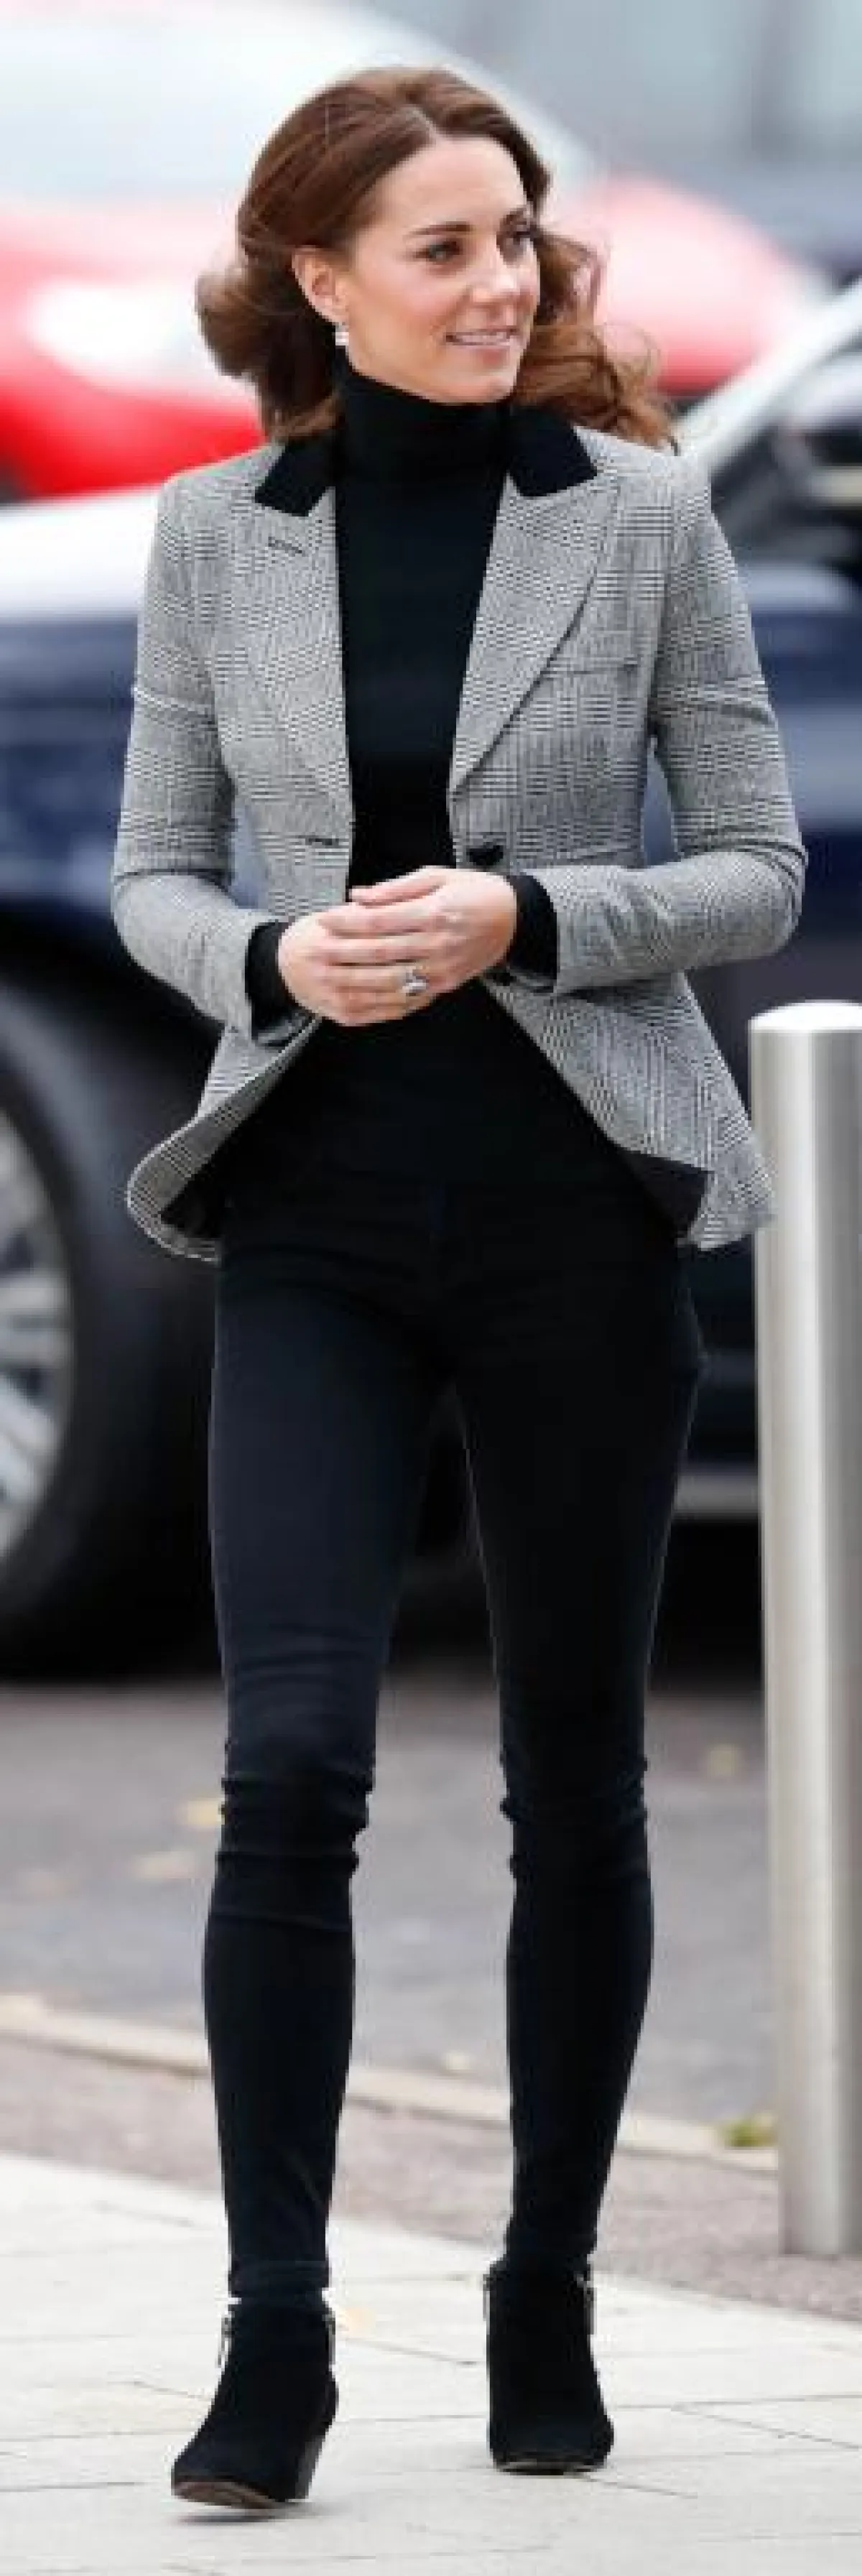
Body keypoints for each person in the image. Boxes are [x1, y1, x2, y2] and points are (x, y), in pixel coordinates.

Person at [111, 62, 806, 2516]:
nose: (502, 281)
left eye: (517, 237)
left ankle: (548, 2287)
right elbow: (157, 878)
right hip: (310, 1215)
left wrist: (534, 914)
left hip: (575, 1213)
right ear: (321, 280)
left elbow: (754, 863)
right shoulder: (213, 535)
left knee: (573, 1780)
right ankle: (273, 2335)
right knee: (292, 1765)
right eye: (444, 247)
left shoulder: (636, 515)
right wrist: (271, 955)